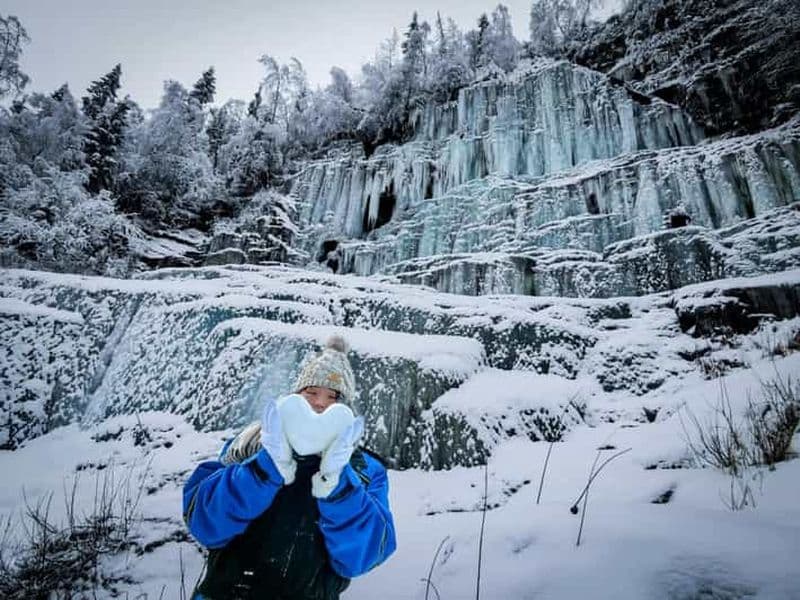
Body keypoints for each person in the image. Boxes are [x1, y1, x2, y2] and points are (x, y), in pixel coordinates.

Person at [183, 336, 397, 599]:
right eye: (312, 392)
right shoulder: (248, 445)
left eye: (333, 397)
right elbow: (205, 524)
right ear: (294, 397)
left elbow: (363, 556)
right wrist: (264, 469)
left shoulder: (365, 471)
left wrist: (337, 485)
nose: (320, 402)